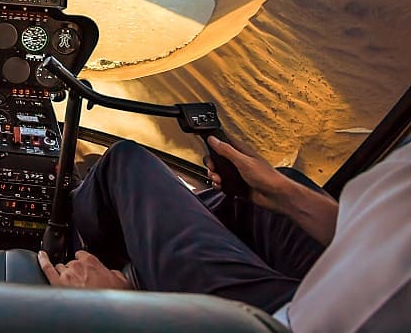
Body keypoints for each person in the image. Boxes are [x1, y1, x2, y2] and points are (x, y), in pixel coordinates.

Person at [37, 135, 410, 331]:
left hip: (277, 323)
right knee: (273, 191)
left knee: (126, 163)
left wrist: (123, 310)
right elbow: (383, 234)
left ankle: (75, 253)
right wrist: (283, 193)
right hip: (342, 285)